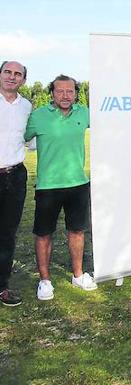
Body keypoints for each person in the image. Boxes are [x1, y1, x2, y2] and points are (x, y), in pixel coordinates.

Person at [24, 74, 97, 300]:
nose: (65, 96)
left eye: (70, 91)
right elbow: (20, 138)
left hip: (78, 184)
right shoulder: (37, 116)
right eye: (60, 91)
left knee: (77, 231)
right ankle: (45, 281)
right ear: (52, 93)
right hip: (48, 186)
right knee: (44, 233)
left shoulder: (84, 113)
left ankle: (77, 275)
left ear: (76, 93)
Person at [0, 61, 31, 306]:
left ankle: (2, 287)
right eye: (8, 72)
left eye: (17, 74)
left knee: (7, 234)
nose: (12, 77)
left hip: (15, 176)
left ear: (23, 80)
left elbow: (31, 139)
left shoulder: (27, 107)